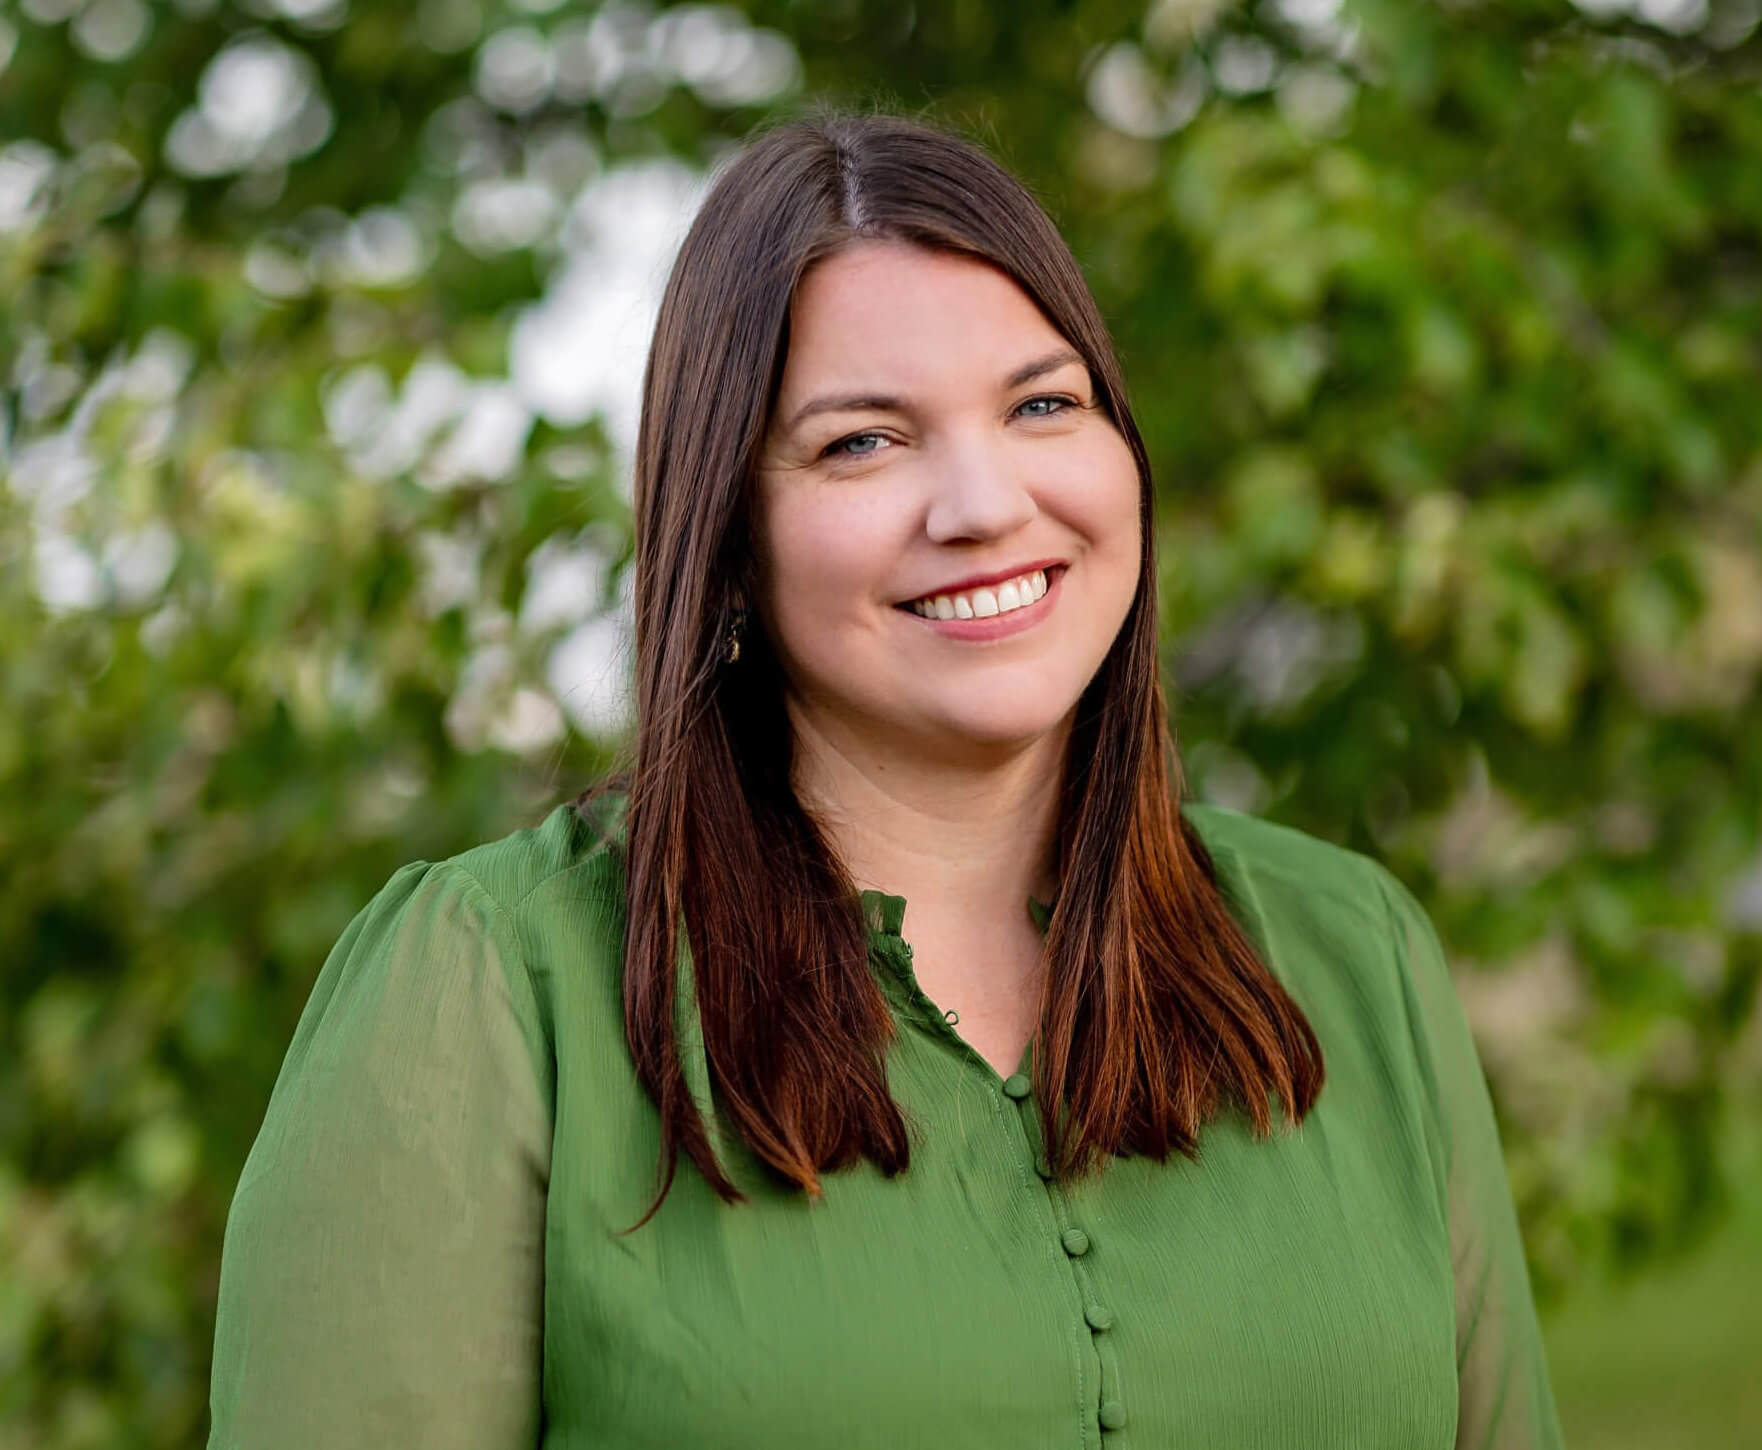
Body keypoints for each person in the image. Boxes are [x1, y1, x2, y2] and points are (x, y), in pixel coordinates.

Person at [206, 104, 1565, 1449]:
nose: (981, 503)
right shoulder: (489, 993)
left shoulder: (1352, 954)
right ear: (728, 531)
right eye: (862, 440)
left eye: (1042, 403)